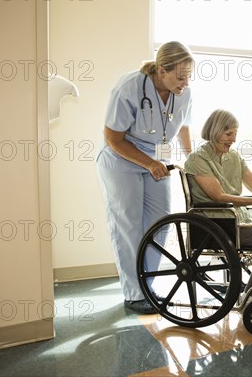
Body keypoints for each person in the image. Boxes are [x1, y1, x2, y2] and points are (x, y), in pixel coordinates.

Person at [96, 41, 194, 314]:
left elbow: (183, 127)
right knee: (128, 225)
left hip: (156, 159)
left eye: (188, 76)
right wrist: (149, 162)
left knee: (160, 223)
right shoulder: (129, 88)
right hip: (121, 160)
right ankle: (134, 292)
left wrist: (192, 159)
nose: (185, 82)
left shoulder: (183, 93)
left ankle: (147, 283)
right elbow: (113, 138)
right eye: (180, 76)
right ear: (162, 70)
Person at [184, 109, 252, 309]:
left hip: (237, 219)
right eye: (229, 134)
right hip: (216, 224)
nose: (233, 139)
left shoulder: (234, 157)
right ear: (214, 132)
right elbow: (218, 197)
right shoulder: (197, 159)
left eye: (235, 134)